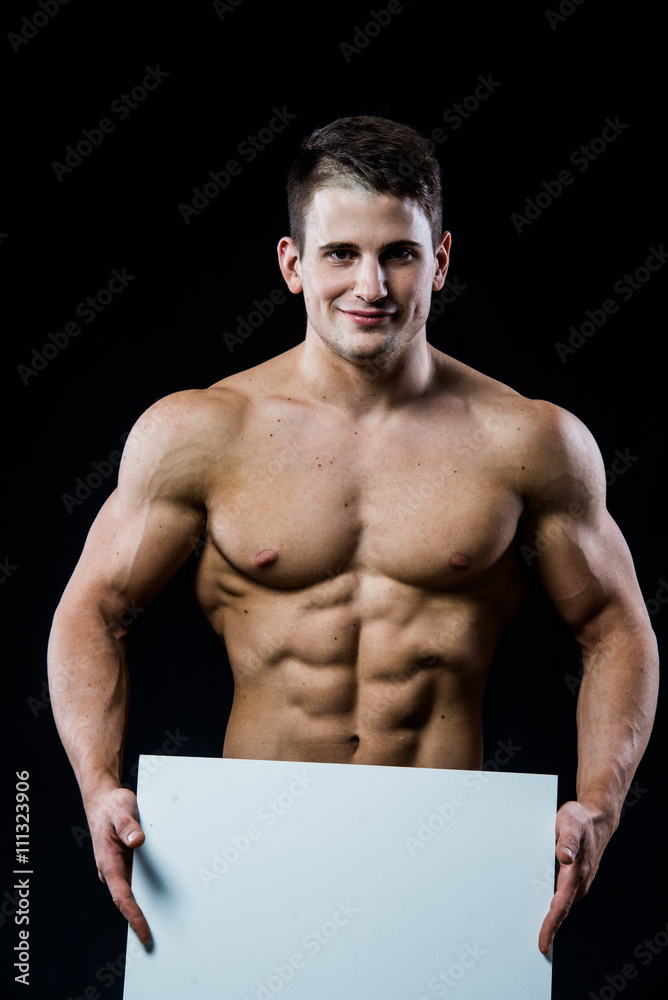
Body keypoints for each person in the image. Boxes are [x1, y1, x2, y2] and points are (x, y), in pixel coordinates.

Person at [47, 115, 659, 958]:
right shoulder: (199, 432)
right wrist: (98, 788)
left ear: (439, 260)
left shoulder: (530, 442)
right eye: (339, 254)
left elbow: (616, 627)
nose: (370, 284)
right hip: (244, 853)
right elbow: (93, 609)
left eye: (400, 253)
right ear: (292, 266)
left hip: (446, 859)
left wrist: (600, 801)